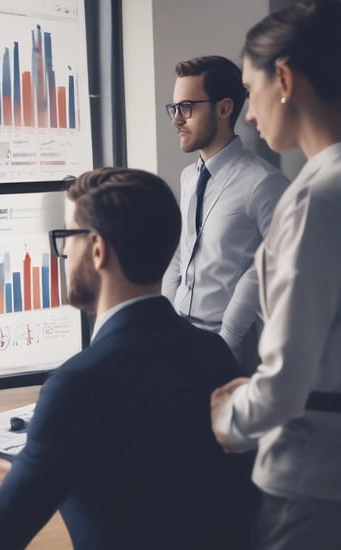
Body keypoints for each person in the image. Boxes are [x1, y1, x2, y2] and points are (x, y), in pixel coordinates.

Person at [0, 167, 255, 550]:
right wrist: (34, 474)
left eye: (65, 238)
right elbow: (151, 483)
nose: (62, 254)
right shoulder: (212, 353)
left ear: (97, 250)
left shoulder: (78, 384)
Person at [211, 1, 341, 548]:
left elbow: (286, 386)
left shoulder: (317, 198)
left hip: (310, 482)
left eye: (249, 88)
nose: (246, 115)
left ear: (283, 78)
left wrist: (227, 418)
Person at [162, 55, 289, 373]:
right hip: (178, 338)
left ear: (223, 108)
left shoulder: (264, 183)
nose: (177, 120)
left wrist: (227, 340)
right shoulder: (189, 177)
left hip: (229, 348)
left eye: (186, 107)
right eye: (174, 108)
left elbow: (268, 266)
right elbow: (181, 251)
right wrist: (164, 321)